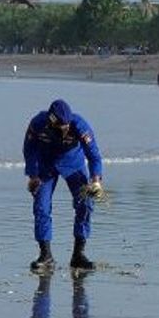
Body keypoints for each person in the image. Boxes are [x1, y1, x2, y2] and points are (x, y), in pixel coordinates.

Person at [22, 99, 104, 271]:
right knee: (41, 207)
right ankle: (46, 255)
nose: (65, 130)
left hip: (73, 164)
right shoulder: (37, 123)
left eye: (67, 127)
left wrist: (96, 181)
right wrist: (33, 175)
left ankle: (78, 254)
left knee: (86, 204)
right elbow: (29, 149)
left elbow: (94, 155)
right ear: (51, 122)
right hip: (45, 166)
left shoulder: (80, 126)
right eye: (61, 127)